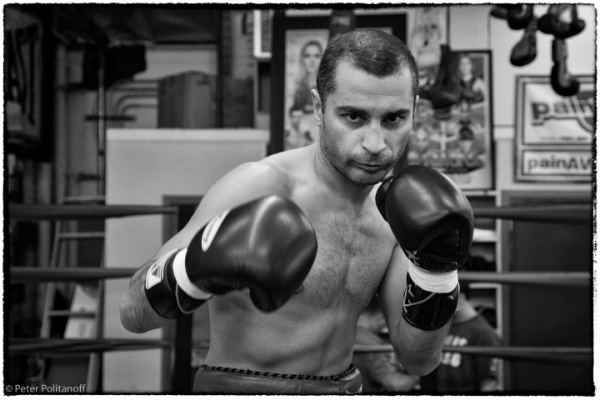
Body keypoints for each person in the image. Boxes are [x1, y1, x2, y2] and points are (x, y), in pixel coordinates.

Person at [119, 29, 474, 395]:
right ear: (319, 108)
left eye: (394, 119)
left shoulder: (396, 214)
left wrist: (437, 273)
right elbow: (132, 313)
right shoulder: (260, 186)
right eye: (353, 116)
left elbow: (418, 359)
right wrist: (193, 268)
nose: (375, 143)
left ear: (414, 109)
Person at [433, 287, 502, 392]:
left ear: (460, 298)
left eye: (442, 299)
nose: (439, 305)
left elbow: (488, 383)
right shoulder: (444, 326)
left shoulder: (483, 332)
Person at [291, 39, 323, 115]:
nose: (312, 60)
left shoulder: (326, 85)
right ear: (302, 59)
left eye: (316, 56)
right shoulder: (299, 85)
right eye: (307, 56)